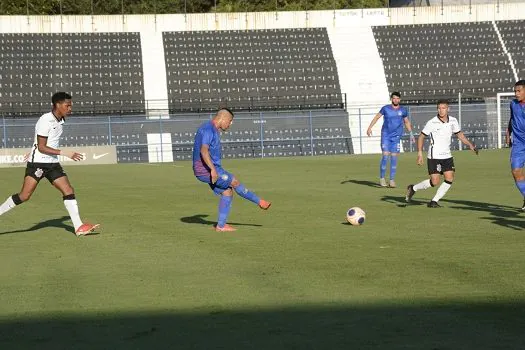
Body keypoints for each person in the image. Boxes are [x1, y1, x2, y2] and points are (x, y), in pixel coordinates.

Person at [0, 92, 99, 236]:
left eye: (71, 105)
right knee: (24, 196)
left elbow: (42, 142)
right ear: (57, 105)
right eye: (67, 105)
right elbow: (42, 147)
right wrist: (65, 153)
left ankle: (78, 227)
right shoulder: (45, 120)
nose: (70, 108)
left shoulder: (61, 119)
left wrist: (34, 148)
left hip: (52, 163)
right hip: (38, 163)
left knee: (68, 190)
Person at [193, 108, 271, 232]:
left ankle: (221, 226)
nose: (230, 124)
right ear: (222, 118)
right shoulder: (208, 129)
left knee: (227, 192)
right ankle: (260, 202)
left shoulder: (212, 129)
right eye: (230, 121)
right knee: (235, 182)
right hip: (206, 169)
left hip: (210, 168)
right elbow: (204, 150)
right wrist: (213, 170)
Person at [405, 99, 478, 208]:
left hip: (447, 156)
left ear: (448, 109)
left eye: (443, 108)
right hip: (434, 156)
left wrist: (469, 144)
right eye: (439, 108)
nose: (441, 110)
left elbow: (459, 134)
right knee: (434, 182)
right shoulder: (432, 122)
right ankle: (413, 188)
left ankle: (434, 201)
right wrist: (420, 153)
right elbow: (421, 137)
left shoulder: (453, 121)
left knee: (449, 178)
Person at [367, 91, 414, 188]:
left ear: (399, 99)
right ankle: (382, 178)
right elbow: (377, 117)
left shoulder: (403, 110)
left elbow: (406, 122)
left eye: (397, 98)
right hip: (386, 135)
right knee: (385, 155)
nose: (395, 100)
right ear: (391, 99)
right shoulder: (386, 108)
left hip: (396, 137)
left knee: (394, 157)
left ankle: (392, 180)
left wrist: (411, 134)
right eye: (394, 98)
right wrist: (369, 127)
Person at [505, 79, 525, 210]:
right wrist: (508, 133)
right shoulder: (513, 104)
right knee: (516, 171)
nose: (516, 93)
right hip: (518, 143)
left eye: (519, 91)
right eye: (515, 91)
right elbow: (511, 119)